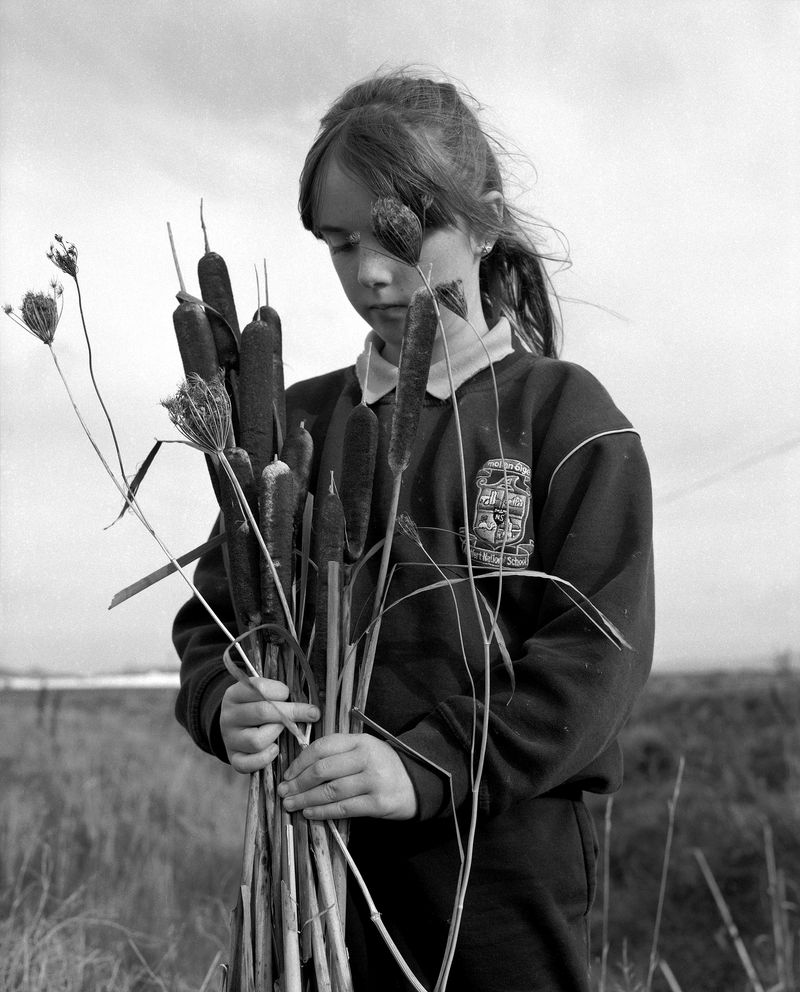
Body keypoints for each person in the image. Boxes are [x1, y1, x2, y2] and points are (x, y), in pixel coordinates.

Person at [173, 69, 654, 992]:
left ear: (482, 221)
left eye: (402, 233)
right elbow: (215, 619)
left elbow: (600, 653)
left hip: (499, 888)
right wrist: (223, 696)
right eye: (340, 243)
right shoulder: (292, 419)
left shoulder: (564, 417)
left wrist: (425, 768)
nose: (372, 274)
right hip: (304, 882)